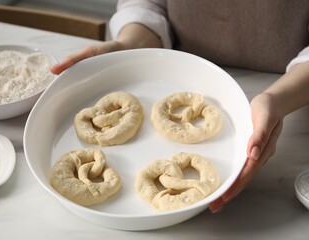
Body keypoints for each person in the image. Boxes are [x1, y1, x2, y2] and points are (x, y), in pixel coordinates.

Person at [51, 0, 309, 213]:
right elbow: (147, 4)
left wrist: (278, 98)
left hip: (292, 85)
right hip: (173, 64)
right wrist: (129, 47)